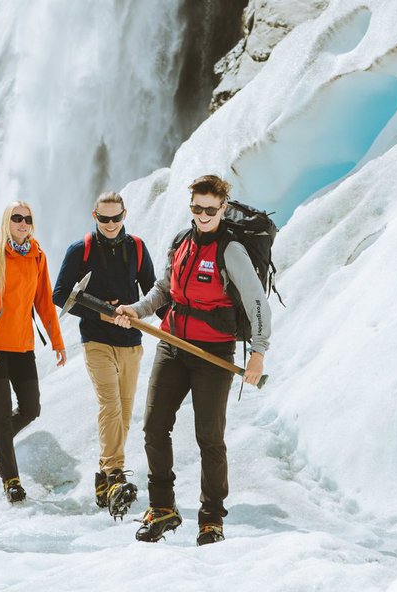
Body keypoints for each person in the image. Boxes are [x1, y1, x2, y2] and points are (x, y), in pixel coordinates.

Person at [114, 174, 271, 546]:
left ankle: (211, 517)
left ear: (221, 209)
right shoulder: (181, 243)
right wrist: (136, 310)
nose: (202, 215)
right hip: (171, 345)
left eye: (210, 209)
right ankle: (163, 508)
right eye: (196, 208)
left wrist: (259, 353)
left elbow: (257, 304)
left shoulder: (230, 251)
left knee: (209, 437)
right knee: (154, 426)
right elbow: (163, 290)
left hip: (213, 354)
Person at [52, 190, 156, 516]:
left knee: (124, 414)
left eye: (116, 217)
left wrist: (136, 311)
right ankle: (114, 476)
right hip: (96, 341)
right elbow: (60, 294)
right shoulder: (80, 250)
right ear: (93, 216)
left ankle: (103, 478)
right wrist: (100, 311)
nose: (110, 224)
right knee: (110, 405)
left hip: (131, 344)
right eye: (104, 218)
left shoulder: (137, 248)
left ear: (125, 214)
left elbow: (153, 291)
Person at [0, 200, 66, 505]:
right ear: (6, 222)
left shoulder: (37, 256)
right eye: (17, 218)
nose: (23, 223)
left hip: (23, 345)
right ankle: (11, 481)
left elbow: (44, 303)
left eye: (27, 219)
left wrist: (57, 341)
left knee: (31, 408)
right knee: (1, 409)